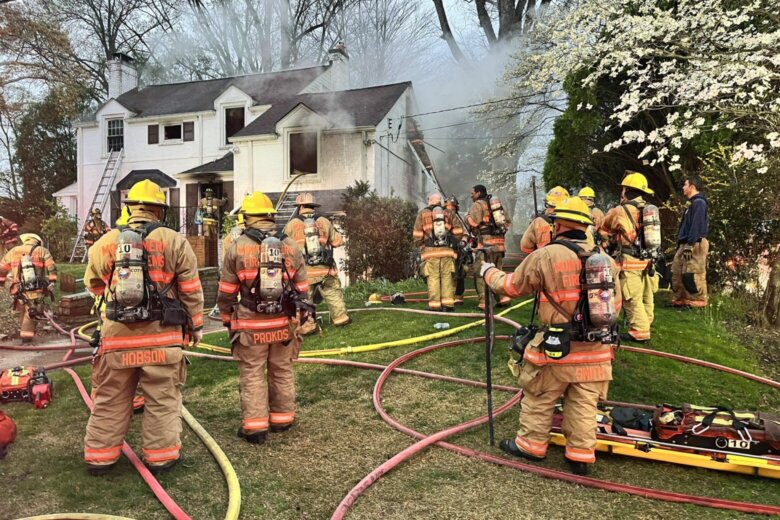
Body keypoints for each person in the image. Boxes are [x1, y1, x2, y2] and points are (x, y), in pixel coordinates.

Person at [479, 197, 621, 475]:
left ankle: (531, 445)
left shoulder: (547, 255)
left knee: (540, 395)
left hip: (559, 348)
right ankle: (580, 454)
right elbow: (615, 305)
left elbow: (511, 286)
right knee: (583, 402)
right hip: (596, 351)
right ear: (584, 226)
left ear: (558, 225)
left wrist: (488, 272)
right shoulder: (605, 261)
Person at [83, 179, 204, 476]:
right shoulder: (175, 241)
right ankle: (161, 457)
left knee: (110, 399)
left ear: (130, 208)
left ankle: (100, 458)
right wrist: (196, 327)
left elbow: (94, 284)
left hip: (116, 340)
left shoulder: (106, 243)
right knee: (162, 398)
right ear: (159, 210)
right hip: (162, 338)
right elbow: (190, 290)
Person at [218, 192, 309, 444]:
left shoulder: (238, 247)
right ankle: (283, 419)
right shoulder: (290, 245)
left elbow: (227, 291)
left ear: (246, 218)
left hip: (250, 325)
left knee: (253, 373)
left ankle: (255, 427)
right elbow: (303, 289)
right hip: (283, 324)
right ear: (270, 216)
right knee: (281, 369)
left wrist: (227, 317)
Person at [601, 171, 658, 342]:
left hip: (630, 260)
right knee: (646, 295)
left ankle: (640, 331)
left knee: (631, 297)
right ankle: (646, 322)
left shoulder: (621, 210)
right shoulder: (648, 209)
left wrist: (607, 240)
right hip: (648, 260)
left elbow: (605, 227)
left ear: (626, 190)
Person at [283, 192, 350, 332]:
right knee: (332, 292)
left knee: (305, 299)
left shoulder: (292, 224)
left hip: (304, 272)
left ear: (300, 206)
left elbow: (283, 247)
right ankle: (340, 318)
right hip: (325, 269)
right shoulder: (324, 221)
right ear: (313, 206)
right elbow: (337, 242)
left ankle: (308, 325)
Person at [0, 233, 57, 342]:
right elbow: (51, 267)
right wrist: (52, 281)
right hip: (35, 289)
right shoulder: (41, 250)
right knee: (31, 314)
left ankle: (24, 334)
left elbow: (2, 269)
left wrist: (1, 285)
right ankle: (26, 340)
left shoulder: (13, 251)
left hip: (18, 289)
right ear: (37, 241)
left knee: (23, 311)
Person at [412, 194, 461, 311]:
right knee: (447, 277)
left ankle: (435, 305)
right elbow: (458, 231)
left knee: (433, 278)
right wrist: (451, 243)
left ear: (429, 201)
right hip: (447, 252)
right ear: (440, 202)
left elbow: (417, 235)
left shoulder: (422, 214)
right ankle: (448, 304)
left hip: (430, 252)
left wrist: (422, 245)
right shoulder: (449, 213)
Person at [466, 184, 512, 310]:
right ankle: (503, 298)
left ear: (479, 193)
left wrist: (467, 217)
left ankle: (484, 302)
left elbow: (474, 222)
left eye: (473, 193)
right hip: (499, 246)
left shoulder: (478, 205)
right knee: (498, 273)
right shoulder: (496, 205)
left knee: (480, 272)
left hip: (486, 247)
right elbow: (507, 223)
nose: (471, 195)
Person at [672, 176, 709, 308]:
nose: (683, 187)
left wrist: (690, 244)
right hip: (686, 242)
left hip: (695, 243)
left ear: (692, 186)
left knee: (693, 271)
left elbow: (696, 225)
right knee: (678, 270)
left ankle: (697, 301)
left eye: (685, 185)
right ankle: (681, 300)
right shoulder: (692, 203)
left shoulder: (699, 203)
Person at [518, 186, 569, 262]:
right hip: (566, 264)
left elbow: (525, 246)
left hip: (542, 264)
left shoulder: (538, 222)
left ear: (548, 203)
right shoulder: (573, 222)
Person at [445, 196, 468, 305]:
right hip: (445, 250)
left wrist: (463, 242)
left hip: (458, 250)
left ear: (456, 208)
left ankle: (458, 297)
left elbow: (465, 233)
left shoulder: (460, 218)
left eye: (452, 209)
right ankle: (448, 296)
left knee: (460, 273)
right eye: (448, 208)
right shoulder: (440, 219)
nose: (450, 211)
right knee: (447, 274)